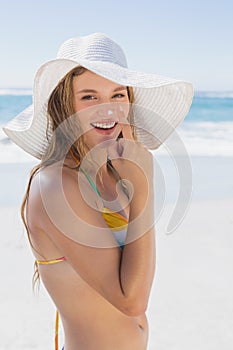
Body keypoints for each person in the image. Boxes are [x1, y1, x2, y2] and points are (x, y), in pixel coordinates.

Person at [2, 33, 193, 350]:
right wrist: (144, 188)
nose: (107, 110)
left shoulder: (113, 173)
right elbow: (131, 301)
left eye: (117, 95)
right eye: (89, 97)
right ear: (65, 107)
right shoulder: (54, 185)